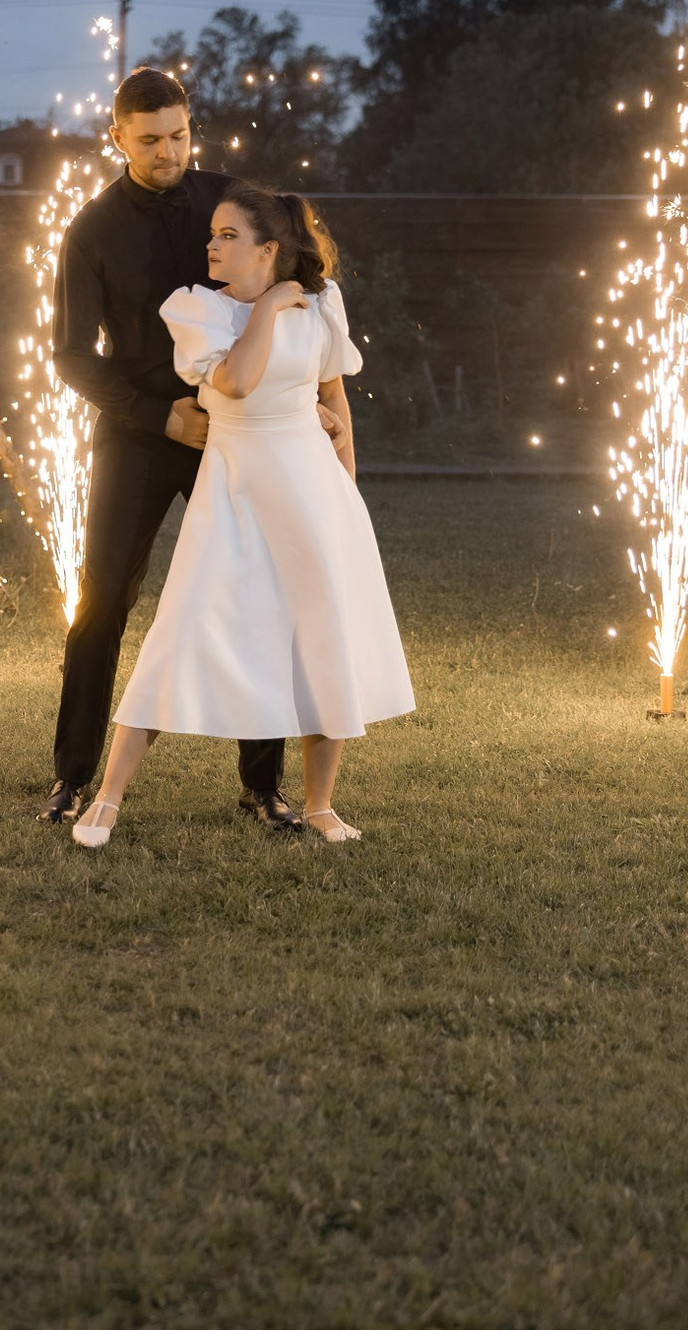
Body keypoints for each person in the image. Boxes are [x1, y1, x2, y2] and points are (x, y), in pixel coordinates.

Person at [71, 184, 413, 848]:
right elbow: (234, 382)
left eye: (228, 235)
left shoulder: (323, 307)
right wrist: (272, 306)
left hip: (311, 491)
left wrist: (349, 497)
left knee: (320, 637)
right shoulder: (198, 310)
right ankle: (108, 796)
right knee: (182, 628)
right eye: (213, 234)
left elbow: (335, 399)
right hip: (233, 488)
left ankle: (320, 802)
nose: (211, 244)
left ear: (270, 247)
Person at [42, 69, 336, 830]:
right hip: (141, 434)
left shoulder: (232, 201)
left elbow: (303, 281)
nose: (167, 150)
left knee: (260, 595)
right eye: (148, 140)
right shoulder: (91, 230)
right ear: (118, 138)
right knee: (102, 597)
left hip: (238, 434)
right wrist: (156, 416)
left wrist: (321, 403)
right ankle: (72, 777)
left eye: (178, 134)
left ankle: (261, 786)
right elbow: (70, 354)